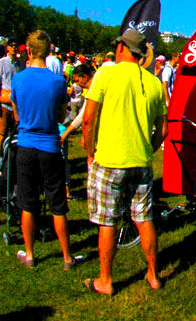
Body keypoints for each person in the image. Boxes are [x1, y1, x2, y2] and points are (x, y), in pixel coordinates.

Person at [81, 28, 168, 296]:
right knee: (144, 218)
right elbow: (163, 129)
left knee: (108, 222)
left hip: (109, 159)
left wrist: (89, 149)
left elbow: (88, 118)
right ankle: (153, 274)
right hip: (140, 161)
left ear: (121, 48)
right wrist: (149, 149)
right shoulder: (154, 82)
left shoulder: (106, 73)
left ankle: (105, 280)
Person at [10, 31, 81, 270]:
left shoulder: (18, 79)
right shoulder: (59, 82)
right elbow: (62, 115)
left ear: (28, 51)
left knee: (27, 202)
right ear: (49, 51)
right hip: (50, 144)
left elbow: (16, 114)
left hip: (27, 144)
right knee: (57, 203)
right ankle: (67, 257)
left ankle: (30, 254)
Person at [0, 38, 25, 163]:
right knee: (1, 134)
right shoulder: (2, 63)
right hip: (5, 104)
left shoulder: (21, 64)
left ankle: (12, 160)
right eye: (11, 46)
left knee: (16, 134)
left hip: (18, 105)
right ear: (7, 48)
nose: (14, 48)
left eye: (16, 46)